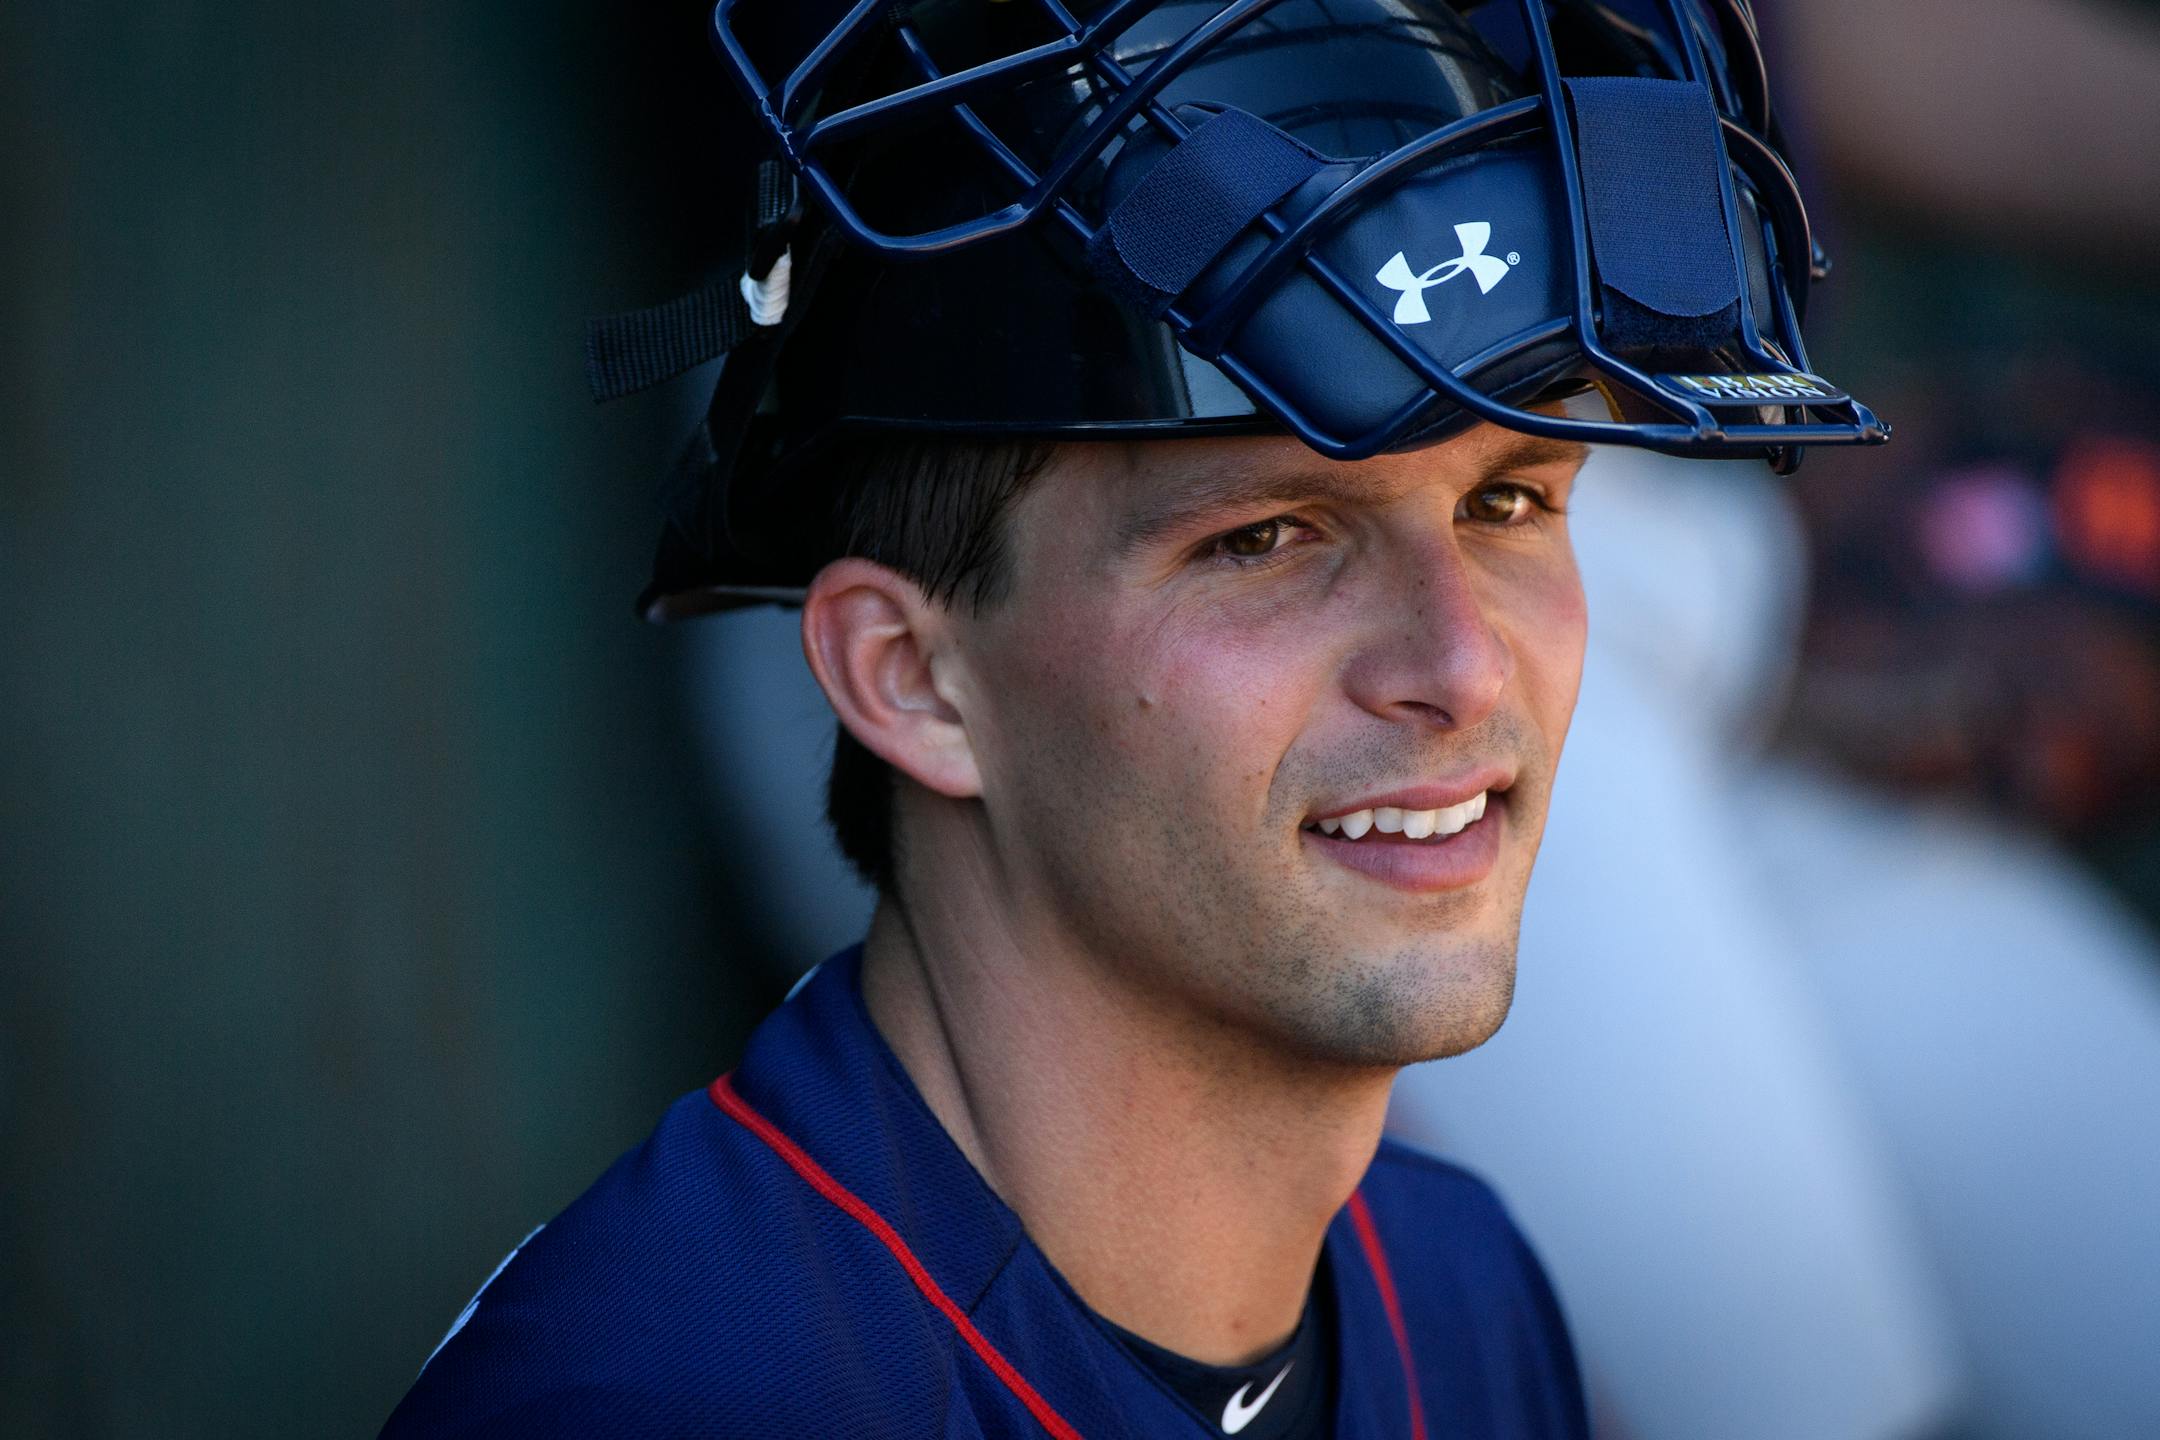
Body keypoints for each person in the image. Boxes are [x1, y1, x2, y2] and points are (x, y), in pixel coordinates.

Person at [382, 1, 1886, 1435]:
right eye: (1265, 539)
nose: (1465, 665)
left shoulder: (1460, 1285)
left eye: (1507, 503)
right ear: (913, 679)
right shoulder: (679, 1403)